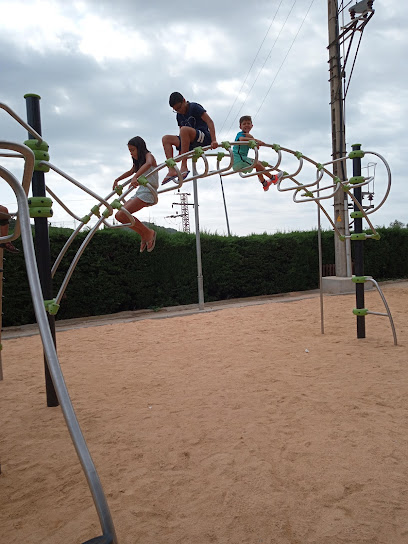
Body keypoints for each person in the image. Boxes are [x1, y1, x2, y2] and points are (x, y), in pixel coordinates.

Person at [113, 136, 158, 253]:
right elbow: (130, 171)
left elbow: (148, 164)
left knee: (123, 213)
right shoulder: (138, 163)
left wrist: (136, 176)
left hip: (148, 191)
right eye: (129, 151)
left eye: (132, 150)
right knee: (119, 216)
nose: (131, 153)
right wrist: (117, 179)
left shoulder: (149, 156)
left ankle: (148, 233)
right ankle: (144, 234)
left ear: (140, 148)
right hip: (140, 191)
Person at [162, 92, 218, 184]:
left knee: (184, 130)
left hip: (203, 137)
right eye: (176, 110)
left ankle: (184, 166)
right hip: (190, 142)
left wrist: (214, 140)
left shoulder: (194, 107)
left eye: (179, 108)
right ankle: (171, 169)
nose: (179, 111)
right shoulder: (178, 115)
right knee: (166, 138)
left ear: (184, 101)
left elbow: (209, 121)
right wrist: (180, 152)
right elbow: (181, 136)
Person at [233, 115, 282, 191]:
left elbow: (256, 148)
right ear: (240, 126)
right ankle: (273, 178)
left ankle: (265, 184)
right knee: (257, 164)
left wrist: (254, 140)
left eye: (248, 123)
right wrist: (255, 139)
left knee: (259, 164)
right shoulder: (241, 134)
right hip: (239, 159)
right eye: (244, 124)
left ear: (252, 126)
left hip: (242, 159)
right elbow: (241, 139)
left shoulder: (249, 137)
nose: (246, 125)